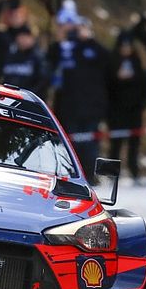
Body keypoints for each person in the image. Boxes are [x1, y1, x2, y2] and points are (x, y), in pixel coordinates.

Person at [47, 10, 109, 182]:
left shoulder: (93, 48)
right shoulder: (66, 48)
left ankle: (91, 176)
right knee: (70, 144)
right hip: (69, 106)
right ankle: (73, 176)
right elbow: (52, 60)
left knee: (90, 144)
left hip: (91, 106)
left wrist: (88, 39)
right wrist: (62, 38)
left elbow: (107, 61)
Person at [107, 30, 146, 183]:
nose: (126, 49)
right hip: (116, 109)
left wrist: (142, 103)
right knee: (115, 144)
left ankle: (134, 170)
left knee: (134, 143)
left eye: (128, 46)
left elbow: (143, 84)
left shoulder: (137, 62)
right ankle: (112, 174)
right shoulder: (112, 62)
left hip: (134, 109)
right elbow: (108, 84)